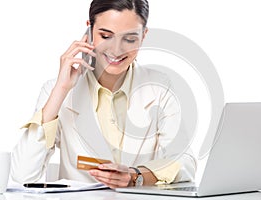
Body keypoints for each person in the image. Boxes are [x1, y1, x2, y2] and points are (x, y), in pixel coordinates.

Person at [11, 0, 197, 189]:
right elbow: (22, 176)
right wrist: (61, 90)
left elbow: (185, 162)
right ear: (89, 31)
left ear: (144, 35)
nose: (116, 50)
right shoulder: (58, 91)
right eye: (106, 35)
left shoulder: (159, 88)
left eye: (130, 39)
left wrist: (136, 176)